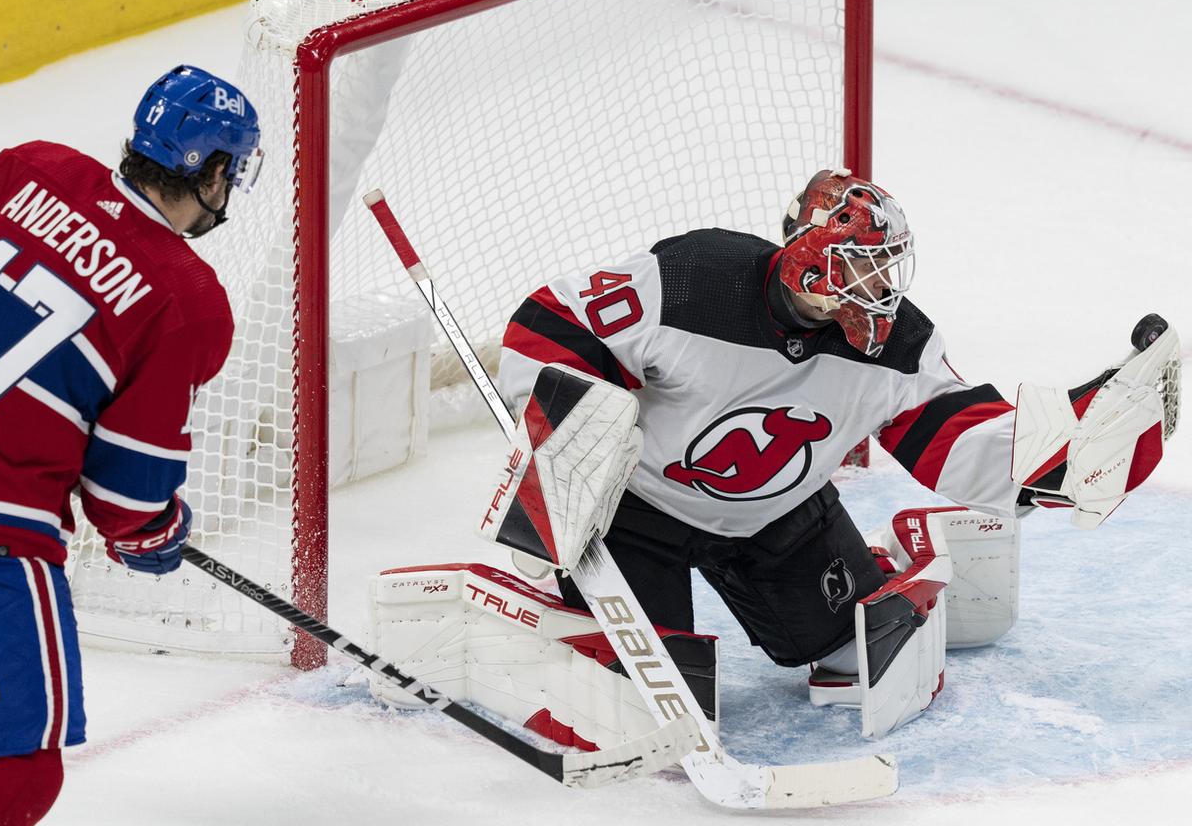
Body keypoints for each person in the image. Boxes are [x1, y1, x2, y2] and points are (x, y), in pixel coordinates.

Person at [487, 168, 1173, 737]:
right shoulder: (694, 281)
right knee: (648, 716)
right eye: (865, 264)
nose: (882, 287)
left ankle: (895, 556)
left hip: (777, 519)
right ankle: (560, 614)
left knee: (860, 657)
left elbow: (965, 442)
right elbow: (547, 325)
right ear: (814, 255)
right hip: (636, 517)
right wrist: (570, 446)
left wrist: (1082, 445)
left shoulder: (896, 345)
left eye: (887, 267)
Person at [0, 64, 260, 824]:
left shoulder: (36, 168)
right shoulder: (187, 300)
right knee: (19, 770)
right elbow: (126, 494)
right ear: (213, 170)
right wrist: (155, 536)